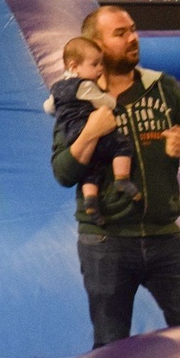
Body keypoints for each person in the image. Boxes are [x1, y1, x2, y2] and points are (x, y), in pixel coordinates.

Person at [51, 5, 180, 349]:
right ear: (95, 44)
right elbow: (63, 173)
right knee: (109, 349)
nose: (133, 38)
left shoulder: (163, 87)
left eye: (133, 30)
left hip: (164, 236)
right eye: (120, 33)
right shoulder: (76, 100)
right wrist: (89, 133)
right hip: (105, 241)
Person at [44, 37, 141, 225]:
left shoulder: (56, 88)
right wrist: (112, 102)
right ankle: (122, 178)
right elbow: (106, 103)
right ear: (74, 66)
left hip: (71, 133)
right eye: (95, 64)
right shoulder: (85, 85)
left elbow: (48, 107)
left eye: (101, 64)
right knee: (121, 145)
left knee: (91, 168)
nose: (100, 69)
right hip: (85, 128)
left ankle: (91, 201)